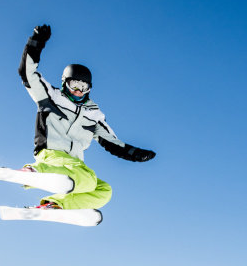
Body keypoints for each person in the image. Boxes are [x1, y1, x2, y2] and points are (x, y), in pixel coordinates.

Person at [17, 24, 155, 214]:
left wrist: (135, 153)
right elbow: (27, 73)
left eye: (84, 87)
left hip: (75, 164)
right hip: (52, 155)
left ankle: (54, 204)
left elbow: (112, 142)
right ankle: (35, 171)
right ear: (65, 82)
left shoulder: (93, 114)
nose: (78, 91)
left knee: (103, 190)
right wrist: (36, 43)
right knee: (87, 178)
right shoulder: (51, 97)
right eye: (74, 85)